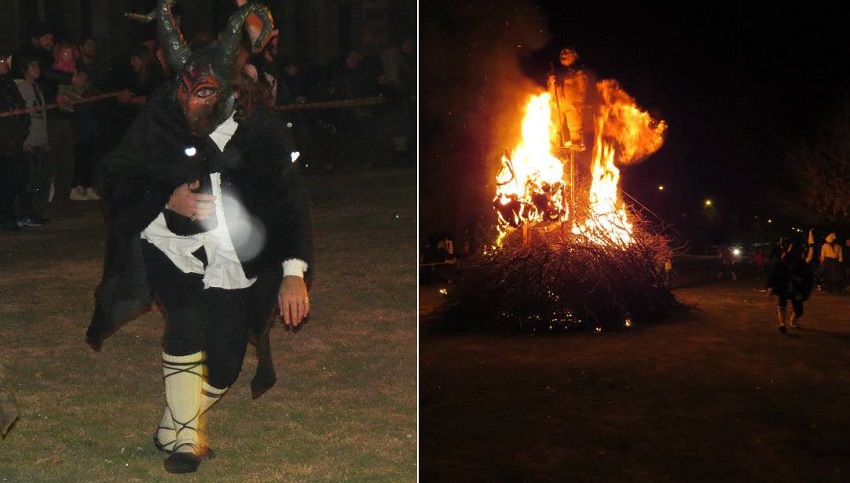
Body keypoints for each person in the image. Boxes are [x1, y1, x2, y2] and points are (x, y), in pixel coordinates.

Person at [86, 1, 313, 474]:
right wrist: (167, 198)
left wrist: (294, 273)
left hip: (234, 258)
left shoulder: (261, 129)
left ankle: (174, 422)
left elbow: (289, 201)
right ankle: (188, 441)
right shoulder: (163, 115)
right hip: (172, 246)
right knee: (185, 318)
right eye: (189, 92)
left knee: (227, 364)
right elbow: (117, 173)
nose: (194, 105)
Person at [17, 20, 87, 221]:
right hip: (49, 118)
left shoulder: (49, 56)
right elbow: (47, 75)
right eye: (46, 36)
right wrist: (68, 79)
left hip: (59, 114)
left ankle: (59, 202)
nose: (50, 40)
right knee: (47, 165)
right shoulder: (33, 57)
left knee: (64, 161)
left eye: (51, 36)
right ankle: (41, 206)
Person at [14, 54, 52, 228]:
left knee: (36, 178)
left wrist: (44, 139)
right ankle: (25, 213)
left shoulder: (37, 88)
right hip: (30, 140)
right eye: (33, 65)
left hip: (38, 139)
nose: (37, 69)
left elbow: (41, 115)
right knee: (28, 179)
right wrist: (25, 140)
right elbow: (23, 116)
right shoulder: (23, 88)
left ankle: (32, 212)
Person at [0, 51, 31, 232]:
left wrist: (22, 130)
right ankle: (7, 218)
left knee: (13, 181)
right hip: (4, 142)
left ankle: (9, 216)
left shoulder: (9, 84)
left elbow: (21, 108)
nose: (4, 63)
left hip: (14, 141)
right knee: (6, 180)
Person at [767, 241, 814, 333]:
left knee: (799, 310)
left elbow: (808, 278)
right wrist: (770, 287)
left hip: (796, 289)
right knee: (781, 304)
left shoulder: (801, 264)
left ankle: (792, 322)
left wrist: (802, 287)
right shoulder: (781, 263)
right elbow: (773, 274)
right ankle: (782, 324)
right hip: (784, 286)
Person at [547, 47, 588, 152]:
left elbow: (582, 88)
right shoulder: (556, 72)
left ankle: (576, 141)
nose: (564, 55)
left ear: (574, 56)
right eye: (562, 53)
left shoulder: (578, 72)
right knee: (554, 123)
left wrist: (579, 101)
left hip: (572, 104)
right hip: (558, 104)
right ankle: (553, 142)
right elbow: (551, 91)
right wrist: (552, 82)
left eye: (567, 53)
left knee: (574, 123)